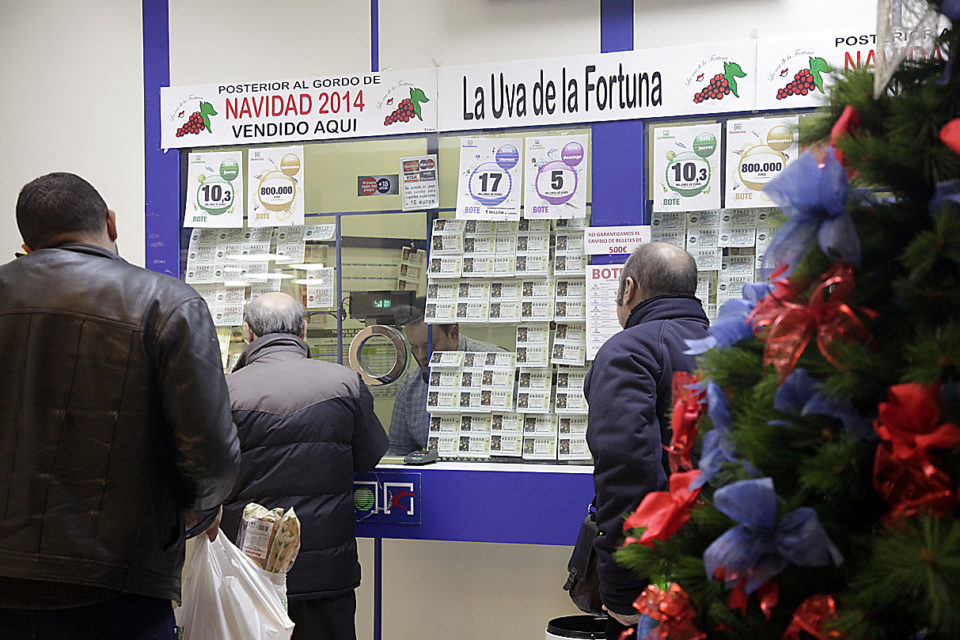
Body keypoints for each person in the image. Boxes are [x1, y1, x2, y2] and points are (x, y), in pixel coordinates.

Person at [0, 172, 240, 639]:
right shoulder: (168, 305)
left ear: (27, 243)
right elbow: (210, 455)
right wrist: (197, 514)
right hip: (119, 585)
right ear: (111, 222)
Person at [221, 292, 388, 640]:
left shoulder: (224, 391)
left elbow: (206, 472)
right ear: (305, 329)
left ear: (248, 333)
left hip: (250, 570)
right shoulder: (344, 383)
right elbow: (369, 456)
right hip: (326, 573)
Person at [584, 242, 709, 639]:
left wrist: (622, 591)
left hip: (663, 579)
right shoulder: (736, 347)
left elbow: (627, 473)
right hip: (740, 567)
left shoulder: (628, 352)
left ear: (628, 290)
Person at [387, 318, 505, 455]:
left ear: (453, 334)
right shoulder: (411, 385)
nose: (421, 356)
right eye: (414, 347)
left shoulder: (497, 365)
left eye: (428, 346)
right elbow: (398, 450)